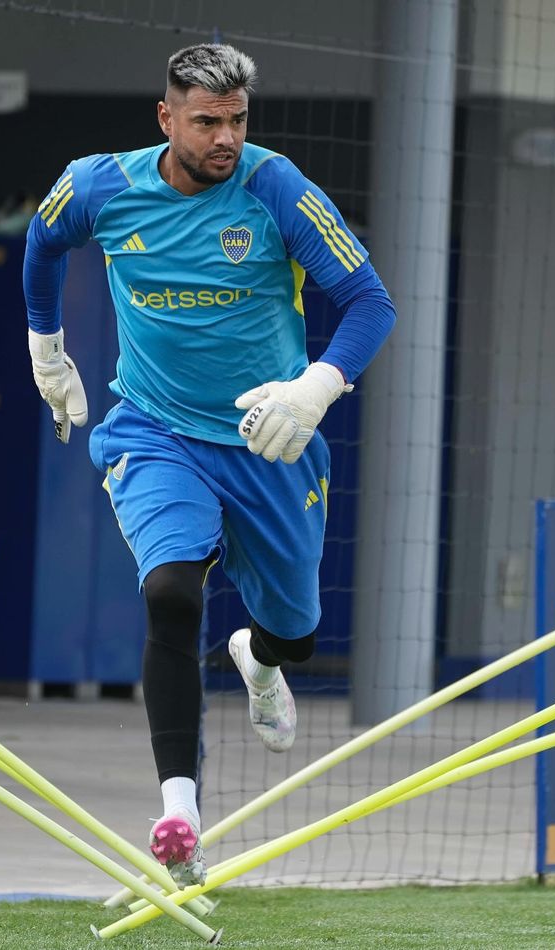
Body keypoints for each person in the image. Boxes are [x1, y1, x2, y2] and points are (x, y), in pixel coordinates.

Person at [23, 43, 396, 889]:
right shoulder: (99, 187)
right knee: (170, 592)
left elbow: (371, 301)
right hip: (156, 431)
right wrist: (47, 348)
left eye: (236, 121)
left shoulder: (277, 189)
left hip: (272, 438)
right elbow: (42, 244)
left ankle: (258, 660)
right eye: (206, 122)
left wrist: (316, 388)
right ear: (166, 117)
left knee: (297, 637)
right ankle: (180, 809)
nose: (225, 138)